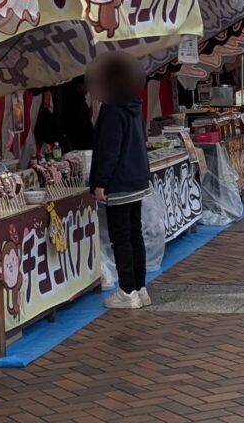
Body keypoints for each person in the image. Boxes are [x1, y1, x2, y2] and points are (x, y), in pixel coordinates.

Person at [89, 52, 153, 310]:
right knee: (135, 235)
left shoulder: (113, 109)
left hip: (119, 182)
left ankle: (127, 291)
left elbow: (109, 149)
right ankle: (140, 287)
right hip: (136, 179)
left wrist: (100, 182)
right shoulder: (134, 105)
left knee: (121, 238)